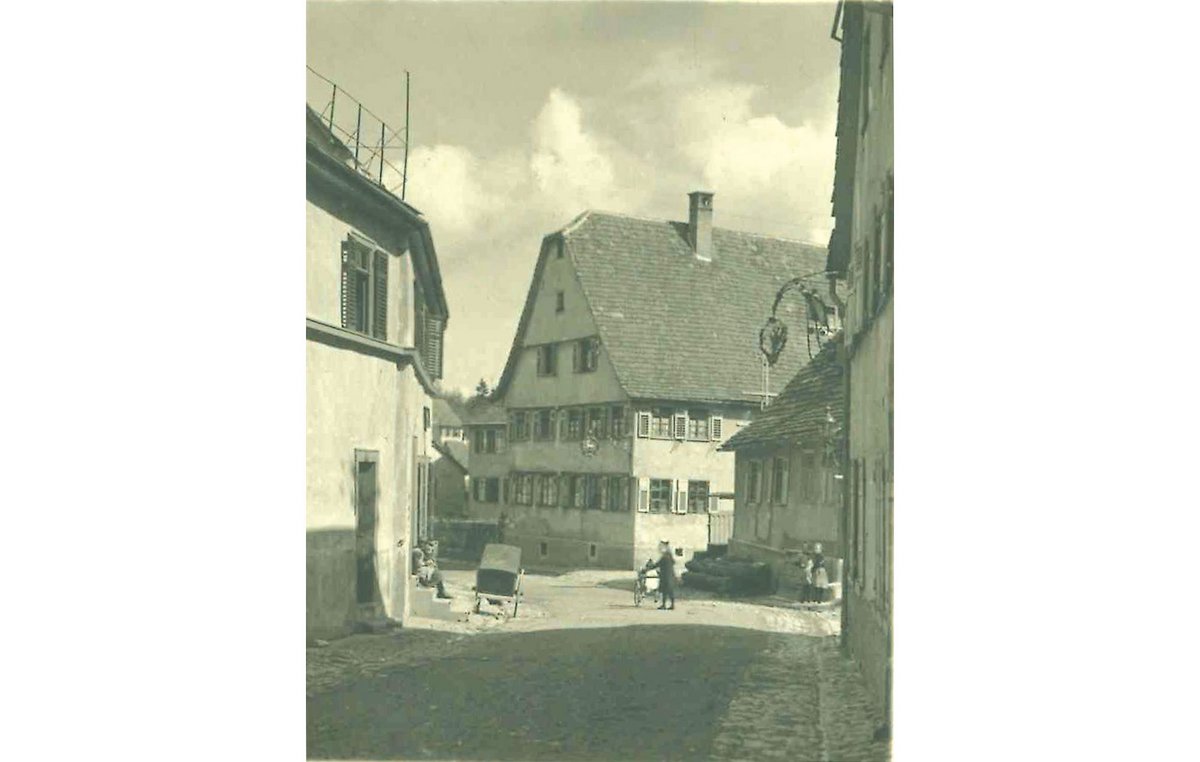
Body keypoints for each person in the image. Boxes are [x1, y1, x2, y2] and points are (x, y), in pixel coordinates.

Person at [645, 540, 676, 610]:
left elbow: (657, 564)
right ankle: (670, 605)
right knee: (669, 590)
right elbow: (673, 563)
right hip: (670, 575)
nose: (660, 549)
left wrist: (649, 568)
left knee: (666, 590)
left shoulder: (665, 557)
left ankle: (665, 605)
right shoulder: (669, 556)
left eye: (662, 547)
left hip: (666, 575)